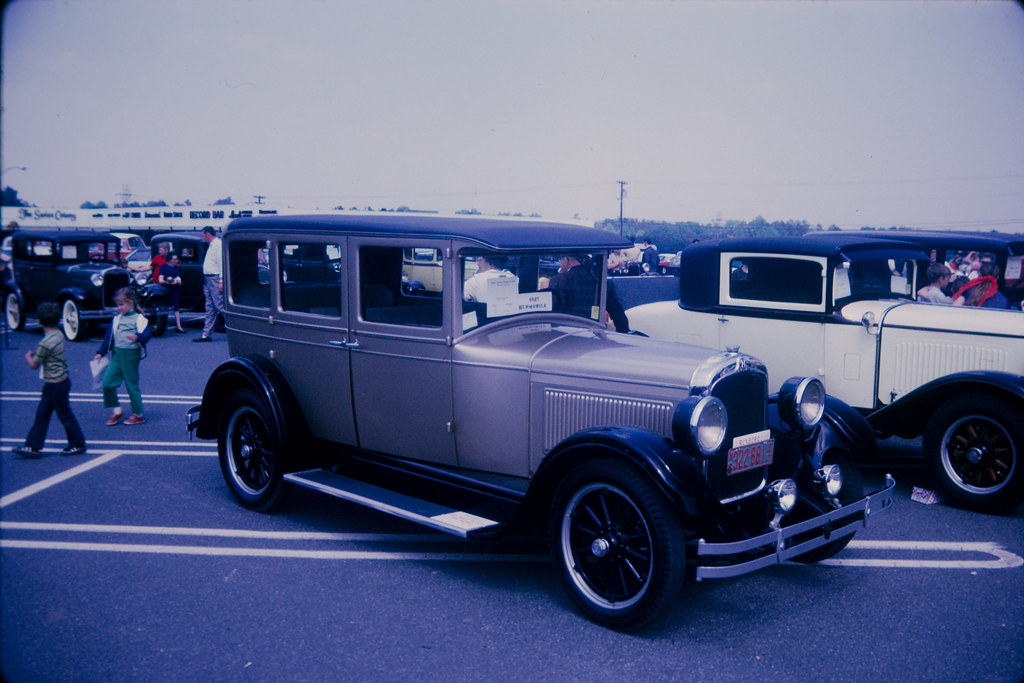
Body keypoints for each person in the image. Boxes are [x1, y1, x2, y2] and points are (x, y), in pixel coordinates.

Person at [12, 302, 88, 458]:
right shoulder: (59, 334)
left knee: (60, 414)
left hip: (54, 384)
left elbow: (34, 365)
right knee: (44, 414)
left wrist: (28, 356)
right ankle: (33, 446)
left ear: (39, 321)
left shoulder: (45, 343)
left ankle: (77, 443)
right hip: (61, 381)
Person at [95, 287, 150, 425]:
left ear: (130, 303)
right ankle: (117, 411)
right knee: (107, 382)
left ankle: (138, 414)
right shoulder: (116, 319)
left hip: (131, 355)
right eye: (118, 305)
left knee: (131, 385)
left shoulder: (140, 319)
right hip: (117, 354)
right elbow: (109, 337)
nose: (119, 308)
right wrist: (100, 352)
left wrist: (137, 337)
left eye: (121, 304)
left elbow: (147, 335)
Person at [194, 225, 224, 342]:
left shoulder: (218, 244)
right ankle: (206, 335)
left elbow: (221, 262)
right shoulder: (212, 245)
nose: (203, 237)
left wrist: (221, 280)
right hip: (209, 279)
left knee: (219, 305)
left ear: (207, 234)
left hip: (215, 278)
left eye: (203, 235)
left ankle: (237, 327)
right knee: (210, 307)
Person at [159, 252, 185, 332]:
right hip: (166, 289)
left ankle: (179, 326)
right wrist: (167, 282)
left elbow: (180, 281)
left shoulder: (176, 268)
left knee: (176, 307)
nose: (176, 260)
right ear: (170, 260)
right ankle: (163, 324)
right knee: (165, 306)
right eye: (175, 259)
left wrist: (176, 281)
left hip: (175, 289)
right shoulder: (163, 267)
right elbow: (160, 280)